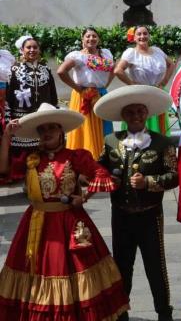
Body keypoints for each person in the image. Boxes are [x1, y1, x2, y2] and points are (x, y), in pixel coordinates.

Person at [0, 103, 128, 320]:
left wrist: (83, 197)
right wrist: (6, 138)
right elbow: (3, 170)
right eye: (42, 129)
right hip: (36, 225)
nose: (47, 133)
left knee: (73, 270)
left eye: (51, 128)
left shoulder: (75, 156)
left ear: (61, 130)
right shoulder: (31, 159)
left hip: (69, 222)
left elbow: (101, 175)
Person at [94, 85, 178, 321]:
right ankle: (121, 313)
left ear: (147, 114)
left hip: (150, 215)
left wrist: (149, 181)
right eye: (130, 113)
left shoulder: (162, 142)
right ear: (123, 116)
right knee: (121, 266)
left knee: (155, 266)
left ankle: (164, 313)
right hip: (120, 214)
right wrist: (106, 178)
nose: (136, 116)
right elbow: (99, 166)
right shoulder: (111, 140)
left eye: (140, 111)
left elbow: (175, 176)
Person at [57, 28, 114, 159]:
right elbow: (61, 71)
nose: (91, 39)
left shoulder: (105, 54)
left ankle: (103, 157)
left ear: (99, 39)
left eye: (94, 36)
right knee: (86, 127)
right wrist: (78, 89)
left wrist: (106, 84)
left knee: (103, 126)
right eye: (88, 36)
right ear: (82, 39)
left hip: (101, 94)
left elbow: (114, 69)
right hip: (84, 95)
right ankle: (88, 158)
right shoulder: (78, 56)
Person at [6, 35, 57, 181]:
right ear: (22, 50)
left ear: (39, 50)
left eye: (35, 47)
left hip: (42, 115)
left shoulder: (45, 69)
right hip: (21, 115)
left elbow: (52, 93)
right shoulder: (15, 70)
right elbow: (9, 96)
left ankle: (42, 178)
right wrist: (9, 118)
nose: (32, 50)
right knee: (22, 149)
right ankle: (24, 179)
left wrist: (55, 112)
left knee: (42, 146)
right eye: (28, 47)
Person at [114, 26, 176, 134]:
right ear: (134, 38)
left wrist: (164, 82)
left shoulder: (157, 51)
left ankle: (158, 146)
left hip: (156, 92)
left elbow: (171, 64)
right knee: (140, 118)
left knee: (156, 120)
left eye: (145, 33)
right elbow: (118, 70)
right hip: (139, 94)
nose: (142, 36)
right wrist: (131, 83)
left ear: (149, 35)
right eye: (139, 34)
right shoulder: (131, 53)